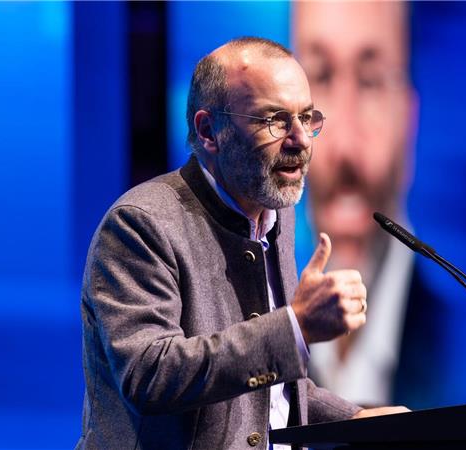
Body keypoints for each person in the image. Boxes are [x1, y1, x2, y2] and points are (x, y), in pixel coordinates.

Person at [76, 37, 405, 450]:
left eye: (306, 118)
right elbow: (151, 377)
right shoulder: (140, 225)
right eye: (275, 120)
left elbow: (266, 391)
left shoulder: (275, 214)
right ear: (209, 131)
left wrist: (356, 419)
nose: (301, 140)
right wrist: (295, 327)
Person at [293, 1, 446, 409]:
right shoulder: (251, 331)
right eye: (320, 76)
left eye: (371, 82)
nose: (344, 146)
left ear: (408, 119)